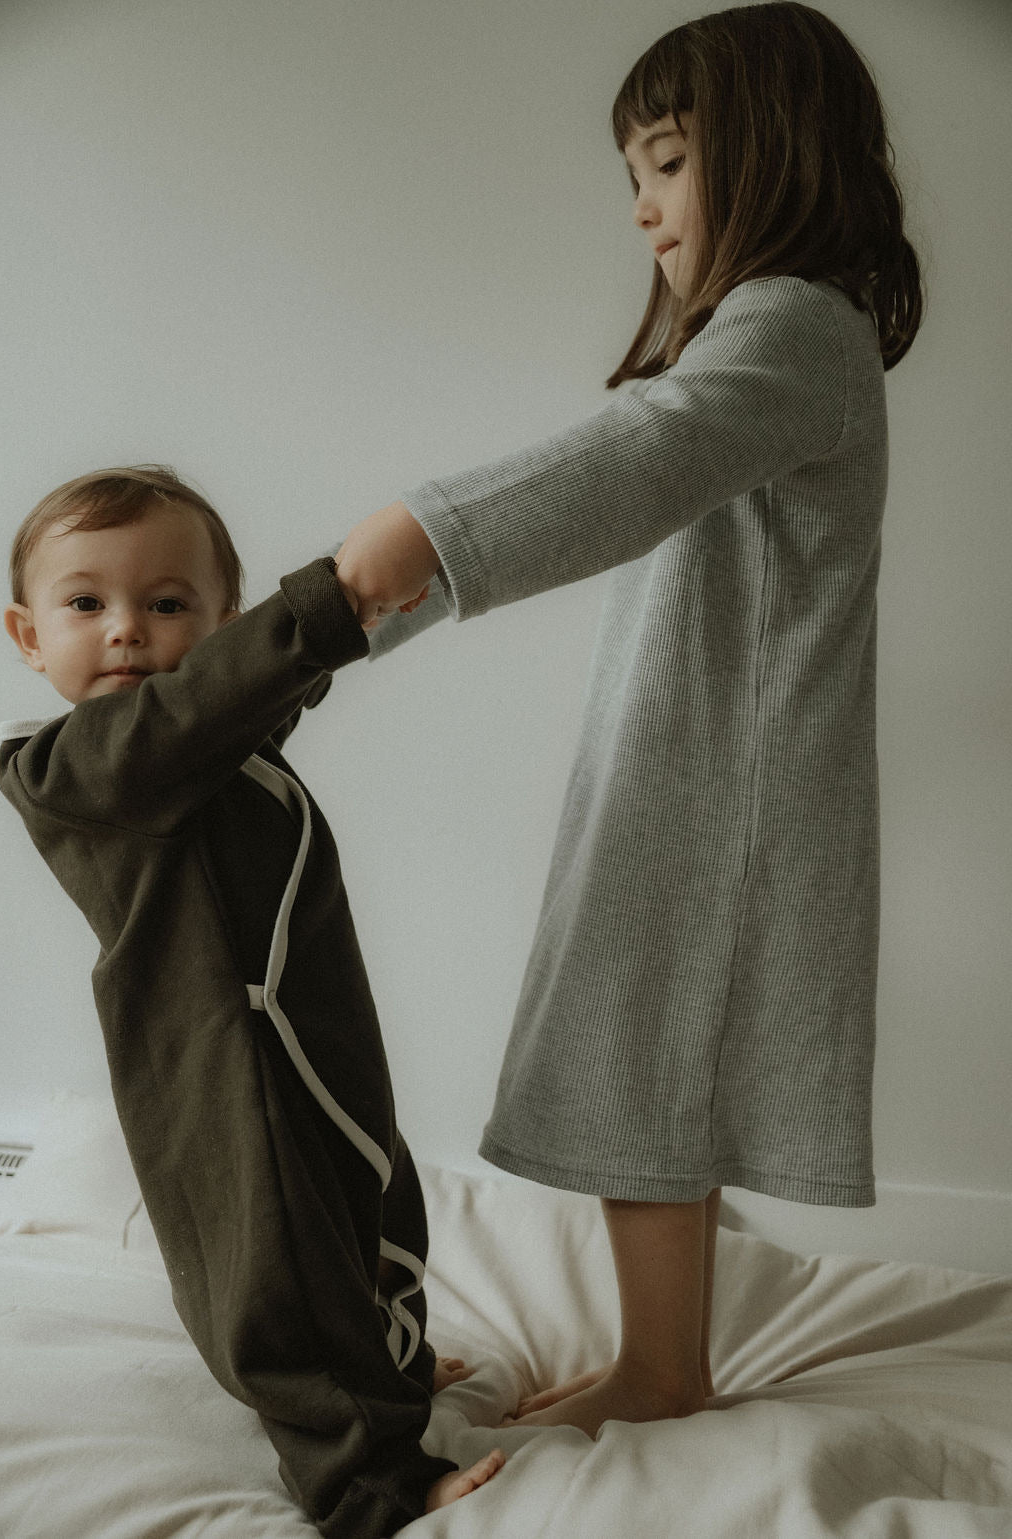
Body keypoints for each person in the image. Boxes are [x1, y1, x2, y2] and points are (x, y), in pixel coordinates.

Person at [332, 1, 924, 1437]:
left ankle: (665, 1371)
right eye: (632, 178)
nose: (644, 208)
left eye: (666, 161)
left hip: (728, 787)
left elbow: (634, 458)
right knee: (652, 1054)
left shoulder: (793, 328)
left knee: (644, 1050)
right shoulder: (767, 341)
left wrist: (416, 534)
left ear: (774, 154)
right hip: (701, 767)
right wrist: (366, 620)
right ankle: (665, 1357)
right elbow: (651, 477)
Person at [0, 466, 504, 1535]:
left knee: (368, 1218)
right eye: (86, 604)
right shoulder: (73, 769)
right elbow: (194, 712)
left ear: (217, 625)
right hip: (222, 1077)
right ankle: (368, 1485)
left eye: (168, 604)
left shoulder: (201, 749)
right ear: (29, 638)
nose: (127, 631)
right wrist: (330, 597)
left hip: (313, 1045)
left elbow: (236, 703)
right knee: (282, 1278)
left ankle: (391, 1372)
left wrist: (364, 618)